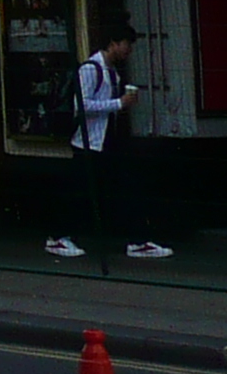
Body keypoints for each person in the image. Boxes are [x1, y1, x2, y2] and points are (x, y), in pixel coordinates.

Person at [50, 23, 171, 262]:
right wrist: (119, 103)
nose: (129, 50)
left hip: (104, 143)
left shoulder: (111, 72)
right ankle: (58, 237)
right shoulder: (91, 69)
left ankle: (136, 240)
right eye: (127, 44)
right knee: (83, 192)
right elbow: (81, 105)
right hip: (88, 143)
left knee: (118, 189)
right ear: (113, 43)